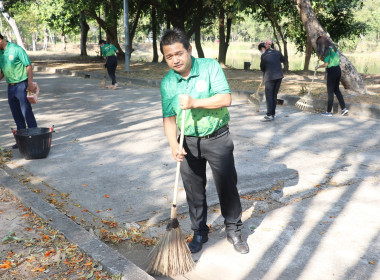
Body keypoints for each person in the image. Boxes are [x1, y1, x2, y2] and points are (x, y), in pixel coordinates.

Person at [160, 28, 249, 254]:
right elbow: (169, 118)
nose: (175, 60)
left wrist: (194, 103)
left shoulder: (210, 67)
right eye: (169, 56)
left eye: (179, 53)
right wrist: (173, 144)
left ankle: (234, 230)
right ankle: (199, 231)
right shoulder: (167, 83)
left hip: (217, 137)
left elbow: (225, 98)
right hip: (186, 142)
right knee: (194, 190)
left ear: (189, 50)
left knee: (227, 185)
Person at [0, 33, 38, 149]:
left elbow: (28, 66)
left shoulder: (16, 49)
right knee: (16, 114)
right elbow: (2, 71)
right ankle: (21, 140)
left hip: (22, 85)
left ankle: (34, 138)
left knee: (26, 112)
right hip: (10, 87)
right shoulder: (0, 54)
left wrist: (30, 83)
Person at [315, 36, 348, 116]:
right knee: (337, 90)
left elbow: (326, 64)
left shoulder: (327, 49)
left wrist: (318, 66)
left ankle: (328, 112)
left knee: (330, 91)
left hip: (332, 71)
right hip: (338, 70)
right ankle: (344, 109)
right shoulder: (333, 47)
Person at [260, 40, 286, 122]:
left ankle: (269, 115)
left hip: (269, 77)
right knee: (274, 95)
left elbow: (262, 68)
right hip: (279, 76)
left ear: (266, 46)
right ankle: (272, 114)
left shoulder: (264, 55)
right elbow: (283, 60)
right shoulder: (277, 53)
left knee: (269, 96)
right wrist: (276, 51)